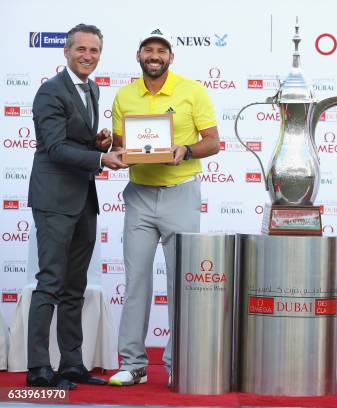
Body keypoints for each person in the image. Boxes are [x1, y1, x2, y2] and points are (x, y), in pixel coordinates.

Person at [108, 28, 220, 386]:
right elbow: (123, 144)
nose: (154, 55)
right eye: (148, 50)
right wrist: (111, 147)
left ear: (171, 57)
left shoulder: (192, 91)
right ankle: (133, 364)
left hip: (180, 194)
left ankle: (178, 364)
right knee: (136, 280)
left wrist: (185, 150)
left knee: (181, 284)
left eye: (161, 50)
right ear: (139, 56)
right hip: (140, 195)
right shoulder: (125, 95)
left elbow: (213, 142)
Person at [27, 23, 127, 389]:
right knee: (50, 282)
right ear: (66, 52)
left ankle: (71, 364)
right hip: (54, 199)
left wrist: (97, 145)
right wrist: (101, 161)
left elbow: (75, 140)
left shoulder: (93, 88)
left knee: (75, 286)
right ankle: (38, 368)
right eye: (81, 49)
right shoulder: (50, 92)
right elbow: (54, 148)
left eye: (94, 51)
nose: (87, 56)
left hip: (83, 199)